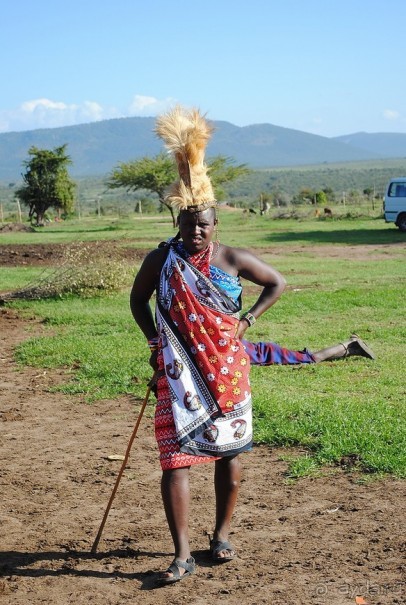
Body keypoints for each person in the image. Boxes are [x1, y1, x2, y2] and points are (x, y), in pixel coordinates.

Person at [130, 106, 286, 584]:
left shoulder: (233, 259)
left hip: (228, 373)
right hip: (176, 375)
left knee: (230, 455)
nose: (198, 230)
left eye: (206, 223)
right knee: (175, 461)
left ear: (217, 223)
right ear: (179, 220)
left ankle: (220, 535)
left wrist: (248, 321)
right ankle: (181, 553)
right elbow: (138, 301)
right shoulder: (162, 259)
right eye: (191, 222)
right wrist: (156, 341)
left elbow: (276, 283)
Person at [242, 333, 375, 366]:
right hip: (264, 349)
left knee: (311, 358)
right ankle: (353, 350)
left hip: (270, 354)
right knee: (310, 357)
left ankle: (350, 343)